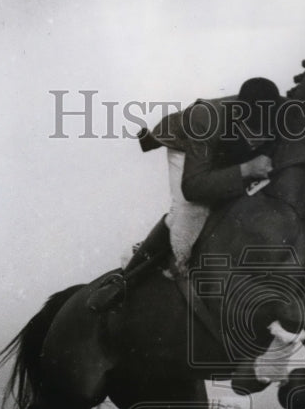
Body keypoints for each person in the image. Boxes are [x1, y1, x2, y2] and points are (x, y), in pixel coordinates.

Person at [87, 77, 283, 313]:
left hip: (224, 152)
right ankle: (128, 273)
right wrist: (246, 169)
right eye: (254, 131)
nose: (258, 138)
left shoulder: (285, 111)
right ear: (241, 116)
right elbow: (193, 188)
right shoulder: (204, 120)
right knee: (193, 211)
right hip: (188, 149)